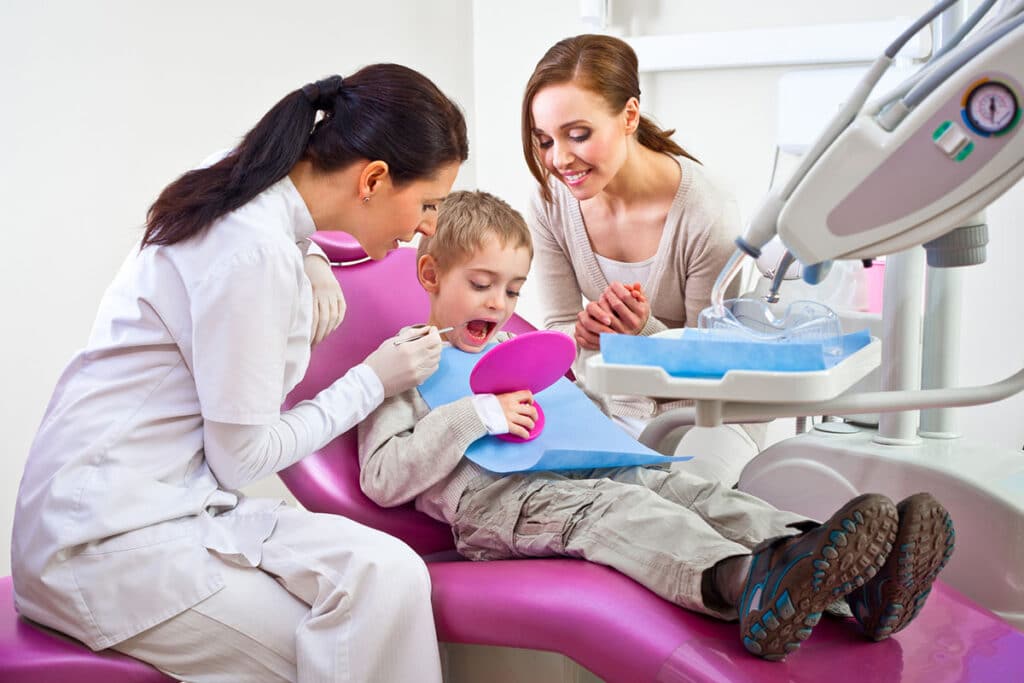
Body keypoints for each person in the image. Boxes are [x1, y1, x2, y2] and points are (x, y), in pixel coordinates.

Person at [357, 190, 956, 661]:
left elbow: (568, 417)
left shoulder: (516, 344)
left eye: (513, 290)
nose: (499, 304)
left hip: (588, 469)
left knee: (689, 490)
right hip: (499, 503)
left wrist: (581, 400)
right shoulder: (405, 363)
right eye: (481, 285)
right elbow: (382, 477)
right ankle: (747, 584)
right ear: (432, 275)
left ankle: (853, 581)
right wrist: (474, 414)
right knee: (622, 515)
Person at [12, 65, 468, 683]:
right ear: (375, 179)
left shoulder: (245, 175)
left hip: (167, 505)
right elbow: (242, 459)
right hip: (98, 545)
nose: (429, 227)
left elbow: (271, 237)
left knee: (391, 575)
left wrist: (312, 258)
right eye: (429, 202)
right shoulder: (254, 254)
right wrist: (372, 381)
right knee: (359, 650)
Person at [521, 34, 764, 485]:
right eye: (545, 140)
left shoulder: (707, 213)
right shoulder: (551, 204)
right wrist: (582, 336)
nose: (559, 159)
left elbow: (713, 365)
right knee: (538, 488)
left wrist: (641, 333)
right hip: (616, 404)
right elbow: (556, 326)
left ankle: (796, 547)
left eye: (578, 135)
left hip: (708, 415)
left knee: (682, 498)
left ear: (629, 115)